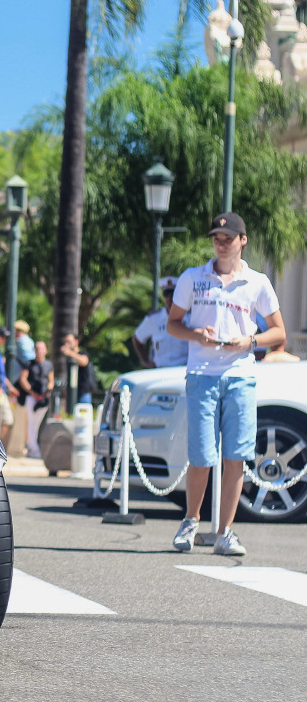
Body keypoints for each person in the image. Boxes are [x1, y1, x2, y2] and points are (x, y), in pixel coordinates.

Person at [167, 212, 284, 556]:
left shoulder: (257, 282)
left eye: (228, 238)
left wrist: (250, 341)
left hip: (240, 376)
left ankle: (225, 532)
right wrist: (195, 334)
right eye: (217, 237)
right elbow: (174, 324)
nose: (221, 243)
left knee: (236, 455)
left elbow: (279, 333)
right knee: (202, 454)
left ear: (242, 240)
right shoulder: (193, 278)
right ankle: (190, 522)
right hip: (202, 373)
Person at [132, 277, 189, 368]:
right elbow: (137, 338)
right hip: (160, 371)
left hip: (182, 371)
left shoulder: (190, 318)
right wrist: (146, 362)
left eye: (173, 293)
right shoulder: (154, 319)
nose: (170, 298)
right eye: (166, 294)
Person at [18, 340, 53, 458]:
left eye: (41, 348)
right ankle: (33, 449)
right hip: (31, 396)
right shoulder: (29, 363)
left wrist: (47, 390)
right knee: (31, 423)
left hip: (43, 398)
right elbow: (23, 379)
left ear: (45, 350)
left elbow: (51, 380)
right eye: (37, 348)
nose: (39, 351)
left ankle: (34, 447)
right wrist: (32, 392)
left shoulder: (49, 364)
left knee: (37, 423)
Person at [59, 333, 95, 405]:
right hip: (72, 394)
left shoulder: (82, 353)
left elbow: (84, 361)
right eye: (65, 342)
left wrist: (69, 353)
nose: (67, 344)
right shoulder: (69, 358)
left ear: (76, 342)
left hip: (83, 393)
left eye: (69, 342)